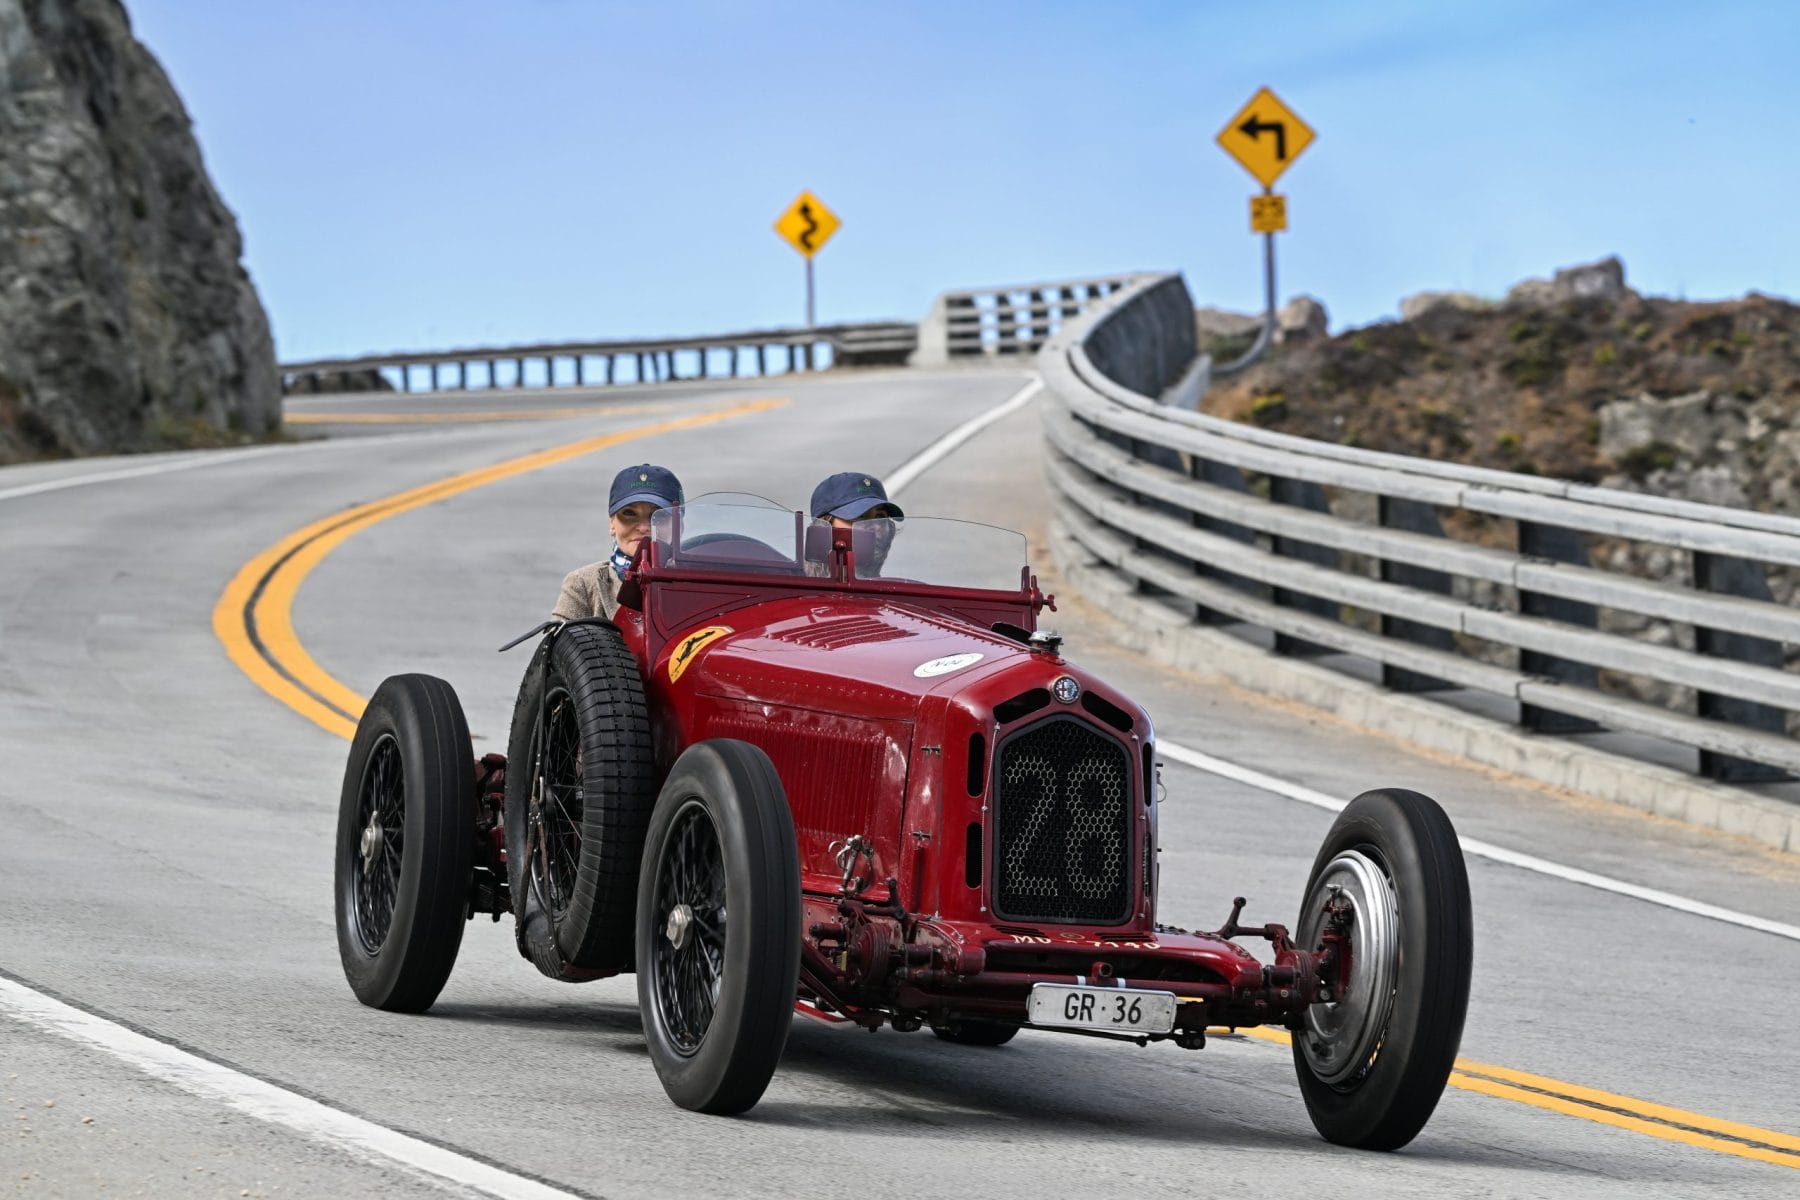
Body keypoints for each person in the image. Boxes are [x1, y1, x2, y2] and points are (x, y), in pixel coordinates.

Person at [552, 463, 684, 621]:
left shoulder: (701, 582)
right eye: (629, 513)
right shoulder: (583, 584)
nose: (643, 527)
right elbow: (558, 643)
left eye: (658, 515)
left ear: (680, 525)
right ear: (612, 524)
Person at [808, 472, 904, 576]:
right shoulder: (794, 586)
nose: (876, 526)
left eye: (880, 517)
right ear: (822, 527)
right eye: (860, 516)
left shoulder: (896, 590)